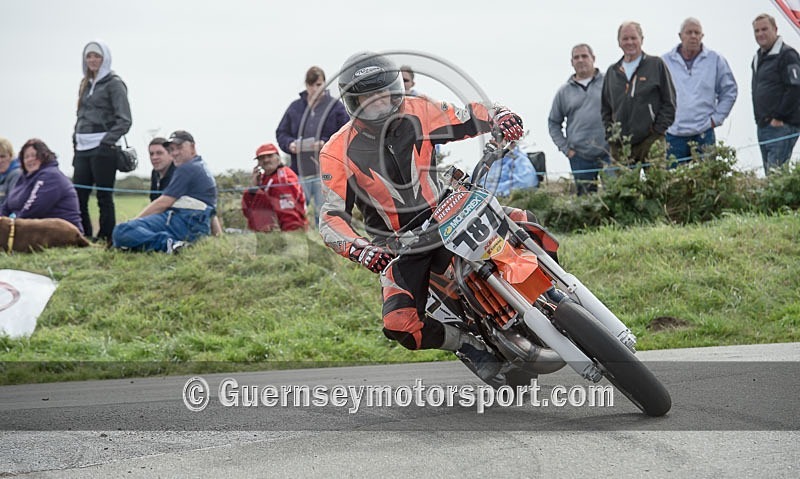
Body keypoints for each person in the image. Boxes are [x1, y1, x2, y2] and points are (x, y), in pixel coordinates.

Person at [319, 51, 525, 384]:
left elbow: (468, 115)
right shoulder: (335, 151)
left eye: (384, 93)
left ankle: (556, 294)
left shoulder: (419, 109)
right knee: (400, 326)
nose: (379, 103)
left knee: (522, 221)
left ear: (396, 89)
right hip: (401, 245)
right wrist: (360, 249)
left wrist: (499, 116)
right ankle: (467, 345)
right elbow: (330, 217)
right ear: (352, 102)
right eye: (368, 98)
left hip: (449, 209)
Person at [112, 130, 217, 253]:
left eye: (179, 147)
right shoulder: (200, 166)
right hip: (196, 225)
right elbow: (211, 210)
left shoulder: (187, 168)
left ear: (192, 147)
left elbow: (164, 202)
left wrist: (135, 221)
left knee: (122, 230)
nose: (175, 153)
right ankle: (169, 244)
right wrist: (217, 236)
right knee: (131, 237)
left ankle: (171, 245)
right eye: (171, 149)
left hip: (184, 221)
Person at [72, 40, 132, 244]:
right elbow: (80, 115)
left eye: (97, 56)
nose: (92, 60)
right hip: (82, 147)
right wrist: (75, 139)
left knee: (104, 196)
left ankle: (107, 238)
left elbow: (125, 119)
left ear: (105, 58)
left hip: (102, 147)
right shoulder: (85, 84)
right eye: (89, 56)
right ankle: (83, 235)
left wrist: (106, 143)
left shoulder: (114, 83)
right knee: (79, 194)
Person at [276, 66, 350, 227]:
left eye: (318, 84)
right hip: (300, 170)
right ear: (306, 85)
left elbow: (347, 132)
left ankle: (325, 246)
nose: (315, 88)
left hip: (326, 171)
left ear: (324, 83)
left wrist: (325, 142)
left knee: (324, 213)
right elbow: (281, 132)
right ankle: (297, 242)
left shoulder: (335, 107)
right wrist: (290, 144)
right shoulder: (295, 107)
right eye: (311, 84)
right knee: (295, 211)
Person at [662, 18, 738, 166]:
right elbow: (654, 95)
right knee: (673, 185)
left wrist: (716, 119)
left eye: (697, 33)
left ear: (702, 36)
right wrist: (662, 124)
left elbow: (729, 90)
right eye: (689, 32)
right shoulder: (665, 61)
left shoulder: (715, 60)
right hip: (674, 134)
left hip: (704, 132)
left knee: (707, 182)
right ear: (680, 36)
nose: (693, 36)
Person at [602, 21, 676, 164]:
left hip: (652, 141)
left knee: (656, 186)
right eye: (625, 38)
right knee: (623, 186)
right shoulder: (612, 72)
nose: (629, 42)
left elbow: (669, 102)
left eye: (633, 38)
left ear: (642, 39)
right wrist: (611, 136)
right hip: (621, 146)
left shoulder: (656, 64)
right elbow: (605, 108)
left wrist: (657, 132)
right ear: (619, 42)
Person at [548, 43, 610, 195]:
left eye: (584, 56)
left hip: (610, 153)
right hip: (580, 157)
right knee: (586, 204)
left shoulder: (609, 82)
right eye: (576, 57)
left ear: (593, 58)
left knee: (614, 197)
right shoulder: (564, 92)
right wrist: (566, 149)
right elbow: (553, 123)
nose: (581, 60)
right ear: (572, 62)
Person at [751, 13, 800, 174]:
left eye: (764, 29)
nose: (760, 34)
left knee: (776, 175)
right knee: (769, 174)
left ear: (775, 29)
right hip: (763, 125)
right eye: (757, 31)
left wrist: (779, 117)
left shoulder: (788, 55)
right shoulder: (758, 57)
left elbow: (795, 88)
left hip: (782, 126)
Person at [1, 138, 83, 232]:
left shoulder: (51, 176)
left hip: (62, 232)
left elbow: (34, 209)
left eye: (35, 155)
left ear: (44, 156)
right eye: (26, 157)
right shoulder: (23, 177)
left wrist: (11, 223)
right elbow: (7, 205)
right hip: (32, 229)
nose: (30, 159)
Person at [241, 142, 308, 232]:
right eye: (261, 158)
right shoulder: (264, 178)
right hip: (267, 233)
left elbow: (289, 214)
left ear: (278, 158)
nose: (266, 160)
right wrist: (253, 187)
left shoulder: (282, 180)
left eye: (269, 156)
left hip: (284, 233)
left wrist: (290, 236)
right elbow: (248, 209)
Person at [148, 137, 175, 201]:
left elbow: (166, 202)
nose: (154, 157)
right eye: (151, 154)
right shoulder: (155, 173)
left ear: (171, 155)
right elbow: (153, 200)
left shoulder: (179, 173)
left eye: (159, 153)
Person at [0, 137, 22, 205]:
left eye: (2, 156)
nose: (0, 161)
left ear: (11, 156)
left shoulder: (17, 174)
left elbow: (12, 203)